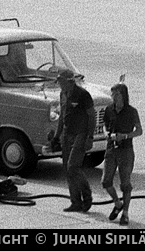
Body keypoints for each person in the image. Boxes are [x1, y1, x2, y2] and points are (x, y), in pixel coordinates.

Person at [53, 68, 96, 212]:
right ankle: (76, 202)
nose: (59, 84)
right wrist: (56, 136)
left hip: (81, 134)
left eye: (61, 82)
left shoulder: (83, 95)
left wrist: (90, 137)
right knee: (67, 169)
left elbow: (92, 116)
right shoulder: (63, 94)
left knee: (73, 167)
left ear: (69, 82)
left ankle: (87, 196)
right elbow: (62, 116)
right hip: (67, 134)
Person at [103, 82, 143, 225]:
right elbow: (104, 125)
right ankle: (117, 203)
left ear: (123, 96)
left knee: (125, 184)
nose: (114, 97)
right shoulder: (109, 110)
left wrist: (125, 136)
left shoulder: (132, 112)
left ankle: (125, 213)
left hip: (126, 151)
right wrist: (107, 133)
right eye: (112, 94)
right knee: (106, 181)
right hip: (111, 149)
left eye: (117, 94)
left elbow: (139, 131)